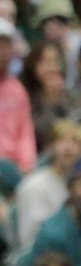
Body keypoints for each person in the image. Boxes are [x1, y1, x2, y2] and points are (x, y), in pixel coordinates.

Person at [14, 119, 81, 249]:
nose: (68, 147)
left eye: (75, 142)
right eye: (62, 140)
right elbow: (29, 239)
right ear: (51, 147)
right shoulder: (35, 185)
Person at [0, 19, 37, 173]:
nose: (2, 51)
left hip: (15, 168)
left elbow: (25, 132)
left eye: (6, 45)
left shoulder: (17, 89)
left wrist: (27, 166)